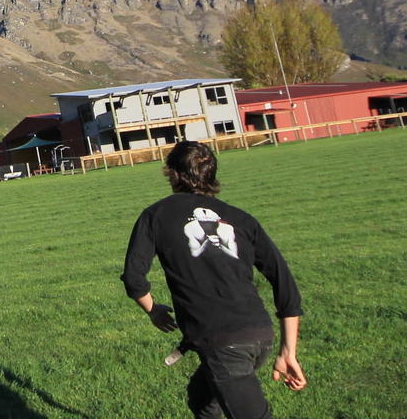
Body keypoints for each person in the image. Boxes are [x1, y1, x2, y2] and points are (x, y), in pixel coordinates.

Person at [121, 141, 305, 419]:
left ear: (172, 174)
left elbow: (134, 278)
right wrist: (287, 350)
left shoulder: (155, 215)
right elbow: (284, 282)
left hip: (223, 343)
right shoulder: (242, 219)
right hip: (260, 335)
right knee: (203, 401)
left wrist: (153, 310)